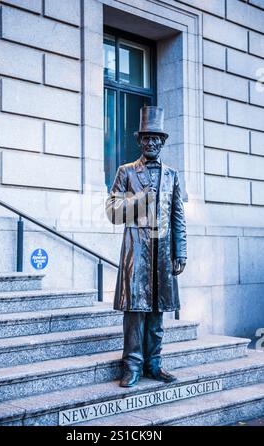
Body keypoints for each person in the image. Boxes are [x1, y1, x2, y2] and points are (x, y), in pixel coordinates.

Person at [105, 106, 187, 387]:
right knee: (134, 311)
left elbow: (178, 215)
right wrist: (140, 199)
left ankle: (154, 364)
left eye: (156, 138)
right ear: (139, 141)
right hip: (136, 252)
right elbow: (112, 212)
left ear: (163, 142)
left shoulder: (172, 176)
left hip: (163, 252)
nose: (151, 143)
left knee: (158, 311)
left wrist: (181, 251)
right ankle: (132, 365)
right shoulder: (126, 172)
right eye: (146, 138)